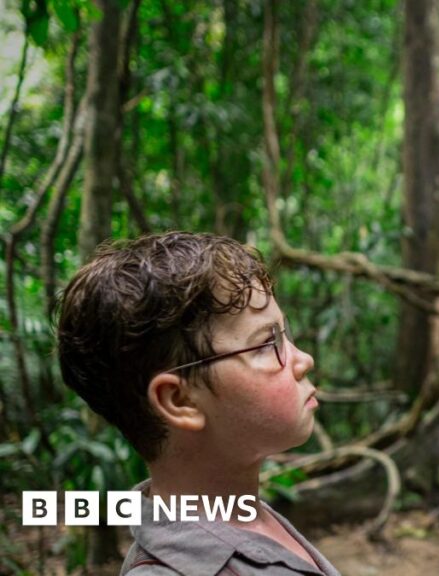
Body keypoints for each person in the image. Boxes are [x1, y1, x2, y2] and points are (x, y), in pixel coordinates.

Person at [57, 232, 339, 575]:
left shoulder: (247, 519)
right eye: (266, 343)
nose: (303, 360)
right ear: (180, 400)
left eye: (284, 333)